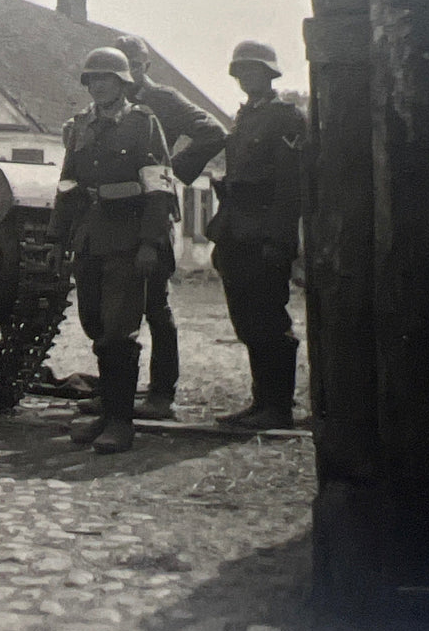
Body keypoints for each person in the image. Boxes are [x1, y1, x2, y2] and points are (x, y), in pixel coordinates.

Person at [48, 47, 175, 454]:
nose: (98, 84)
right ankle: (107, 411)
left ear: (123, 83)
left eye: (106, 78)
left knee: (120, 329)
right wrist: (56, 238)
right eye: (92, 79)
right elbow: (68, 183)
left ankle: (121, 422)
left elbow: (159, 184)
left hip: (127, 238)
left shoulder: (141, 122)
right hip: (89, 237)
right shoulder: (81, 125)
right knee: (95, 324)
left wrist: (150, 243)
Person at [114, 35, 227, 420]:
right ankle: (116, 393)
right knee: (115, 308)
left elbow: (213, 131)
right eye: (121, 61)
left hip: (154, 212)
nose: (127, 69)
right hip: (116, 215)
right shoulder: (111, 102)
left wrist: (171, 171)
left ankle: (162, 394)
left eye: (134, 61)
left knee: (155, 306)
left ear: (145, 65)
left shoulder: (162, 99)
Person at [206, 40, 306, 431]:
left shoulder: (285, 118)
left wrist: (280, 242)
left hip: (264, 236)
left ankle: (278, 408)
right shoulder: (244, 117)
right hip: (237, 233)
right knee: (246, 321)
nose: (247, 78)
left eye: (254, 71)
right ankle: (260, 401)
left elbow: (288, 186)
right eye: (241, 72)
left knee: (270, 322)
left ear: (270, 74)